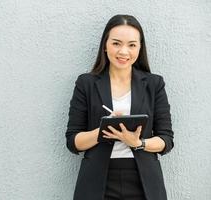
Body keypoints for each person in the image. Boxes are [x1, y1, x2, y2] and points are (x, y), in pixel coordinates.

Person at [65, 14, 174, 200]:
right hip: (97, 181)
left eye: (132, 45)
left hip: (144, 181)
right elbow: (73, 141)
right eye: (116, 43)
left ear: (140, 48)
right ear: (105, 46)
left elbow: (166, 140)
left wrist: (139, 143)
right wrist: (103, 129)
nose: (124, 51)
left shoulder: (154, 84)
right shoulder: (86, 83)